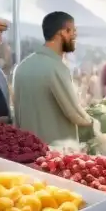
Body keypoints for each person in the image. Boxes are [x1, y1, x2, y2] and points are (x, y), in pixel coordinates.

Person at [12, 12, 96, 145]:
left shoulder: (22, 67)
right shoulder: (56, 68)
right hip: (55, 155)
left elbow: (16, 115)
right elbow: (75, 113)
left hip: (27, 150)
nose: (75, 35)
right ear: (62, 32)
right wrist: (94, 123)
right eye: (73, 31)